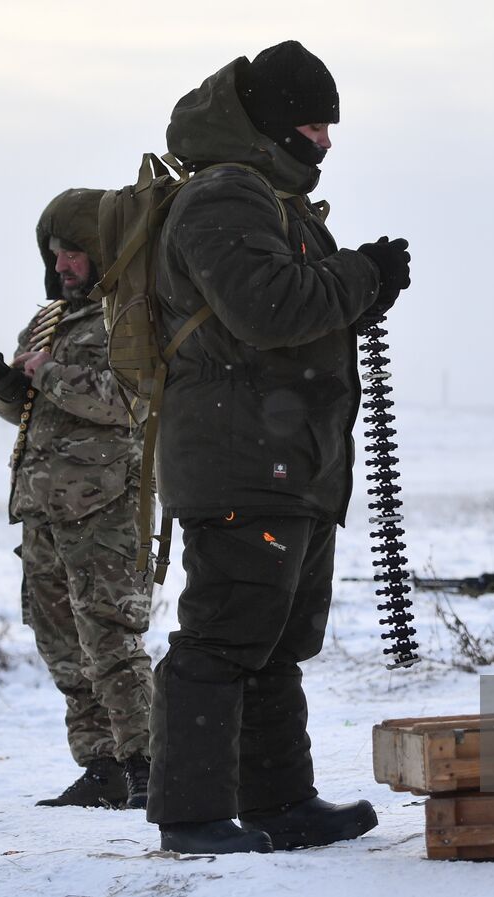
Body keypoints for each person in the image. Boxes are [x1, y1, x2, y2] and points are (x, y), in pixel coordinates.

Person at [145, 42, 412, 854]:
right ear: (267, 123)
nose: (324, 140)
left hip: (283, 460)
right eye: (310, 122)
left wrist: (355, 288)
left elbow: (280, 318)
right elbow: (266, 307)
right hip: (240, 459)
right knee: (225, 634)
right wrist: (362, 276)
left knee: (275, 642)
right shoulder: (224, 195)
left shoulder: (267, 199)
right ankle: (191, 816)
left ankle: (279, 802)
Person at [0, 189, 154, 809]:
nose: (63, 265)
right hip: (44, 510)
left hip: (103, 512)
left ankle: (146, 765)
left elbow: (123, 402)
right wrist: (7, 386)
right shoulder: (50, 320)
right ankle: (101, 765)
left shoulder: (128, 317)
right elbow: (27, 411)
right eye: (55, 254)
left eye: (75, 252)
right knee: (62, 645)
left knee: (110, 640)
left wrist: (46, 372)